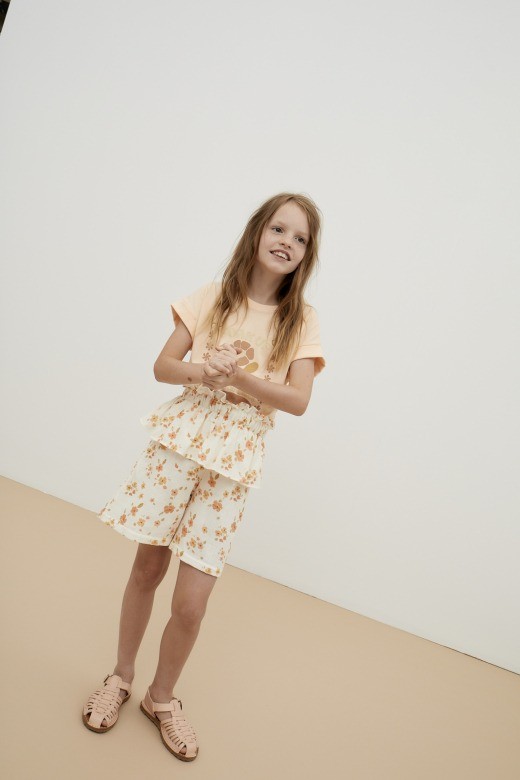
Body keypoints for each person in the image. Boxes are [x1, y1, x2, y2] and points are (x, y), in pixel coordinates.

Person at [81, 192, 326, 760]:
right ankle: (120, 677)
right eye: (279, 229)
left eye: (300, 238)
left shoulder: (302, 320)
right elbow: (163, 366)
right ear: (257, 232)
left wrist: (239, 380)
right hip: (181, 443)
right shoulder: (214, 296)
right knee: (147, 568)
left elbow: (298, 401)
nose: (287, 242)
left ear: (306, 254)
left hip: (233, 463)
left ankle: (162, 699)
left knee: (192, 602)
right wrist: (203, 371)